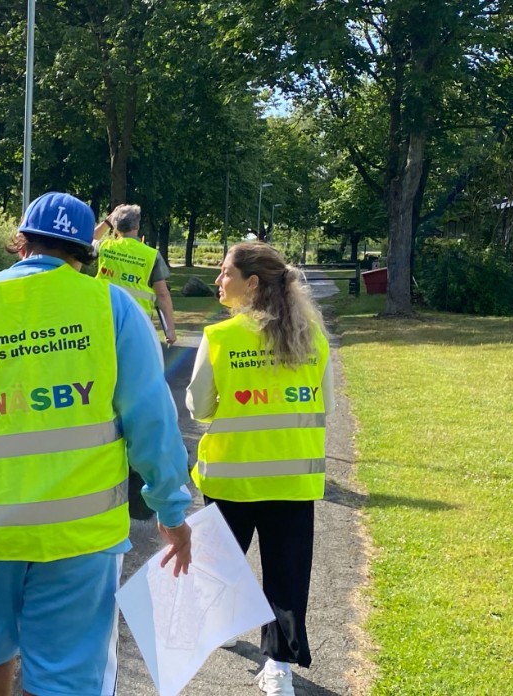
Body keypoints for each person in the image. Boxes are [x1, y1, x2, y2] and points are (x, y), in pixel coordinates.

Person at [0, 191, 194, 696]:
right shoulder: (110, 306)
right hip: (78, 532)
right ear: (86, 251)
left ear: (22, 241)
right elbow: (153, 422)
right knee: (65, 673)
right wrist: (170, 508)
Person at [184, 241, 334, 696]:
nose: (217, 280)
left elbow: (198, 407)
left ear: (251, 283)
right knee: (287, 574)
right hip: (292, 476)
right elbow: (323, 404)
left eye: (225, 272)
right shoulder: (312, 337)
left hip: (233, 475)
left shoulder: (221, 338)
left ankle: (221, 625)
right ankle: (279, 668)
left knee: (221, 560)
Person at [93, 204, 178, 346]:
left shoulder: (104, 247)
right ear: (137, 226)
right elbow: (162, 295)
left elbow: (86, 239)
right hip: (138, 321)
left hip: (105, 316)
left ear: (117, 228)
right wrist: (170, 330)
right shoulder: (151, 256)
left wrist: (108, 221)